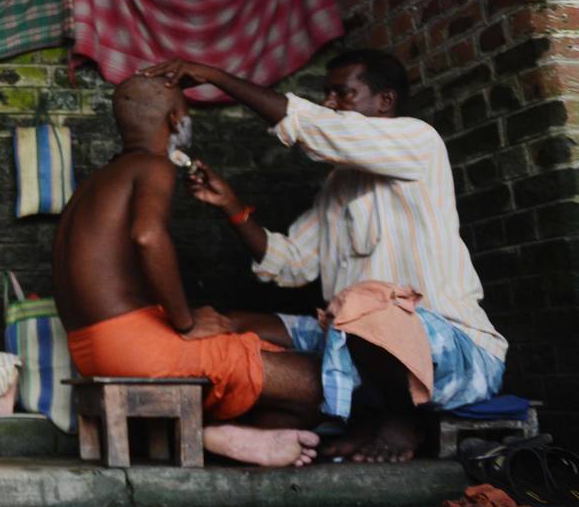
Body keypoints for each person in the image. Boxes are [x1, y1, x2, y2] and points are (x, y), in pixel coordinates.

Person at [143, 50, 507, 463]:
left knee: (367, 305)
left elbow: (317, 128)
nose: (331, 102)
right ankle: (334, 416)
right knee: (234, 323)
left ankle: (401, 420)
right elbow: (291, 262)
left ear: (384, 101)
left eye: (343, 93)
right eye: (328, 94)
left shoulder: (419, 142)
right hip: (357, 336)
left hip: (453, 352)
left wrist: (214, 76)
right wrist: (231, 205)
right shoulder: (338, 187)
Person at [52, 75, 322, 466]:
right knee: (317, 378)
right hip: (132, 348)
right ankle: (209, 434)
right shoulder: (153, 165)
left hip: (91, 349)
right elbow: (147, 236)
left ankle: (224, 434)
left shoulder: (95, 183)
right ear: (177, 118)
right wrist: (185, 323)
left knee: (259, 352)